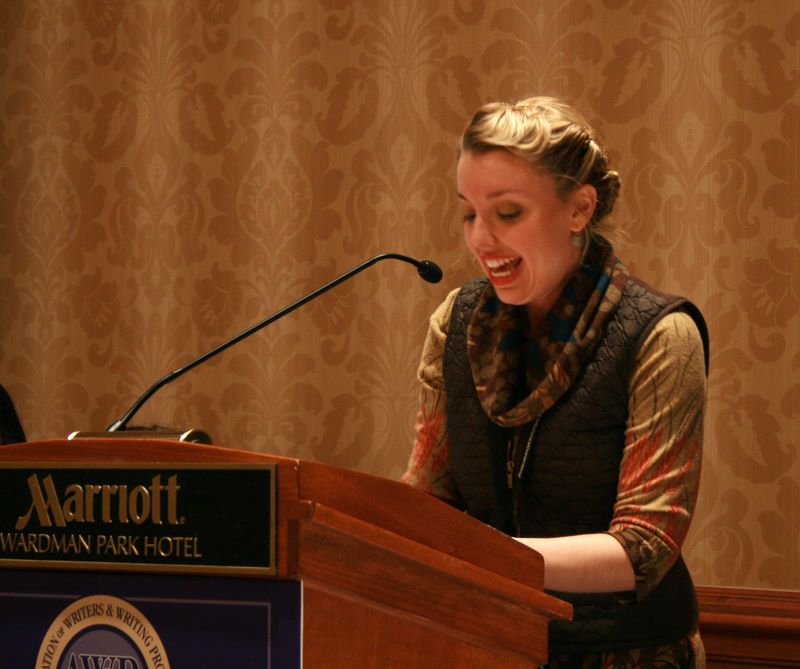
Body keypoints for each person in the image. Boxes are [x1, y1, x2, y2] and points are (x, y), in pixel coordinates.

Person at [402, 96, 708, 668]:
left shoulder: (663, 335)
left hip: (628, 652)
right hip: (483, 641)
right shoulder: (454, 322)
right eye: (469, 213)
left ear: (579, 209)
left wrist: (483, 557)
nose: (480, 240)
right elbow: (427, 498)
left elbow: (645, 546)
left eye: (508, 213)